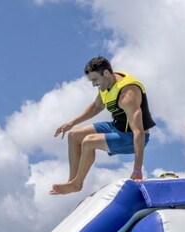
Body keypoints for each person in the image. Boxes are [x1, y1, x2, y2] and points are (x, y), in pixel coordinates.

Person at [51, 55, 156, 195]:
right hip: (116, 127)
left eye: (95, 80)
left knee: (88, 142)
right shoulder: (107, 83)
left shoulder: (127, 95)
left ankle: (77, 184)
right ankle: (72, 181)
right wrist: (72, 123)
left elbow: (139, 133)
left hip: (132, 137)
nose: (94, 84)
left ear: (106, 73)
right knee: (74, 135)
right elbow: (96, 106)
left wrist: (137, 170)